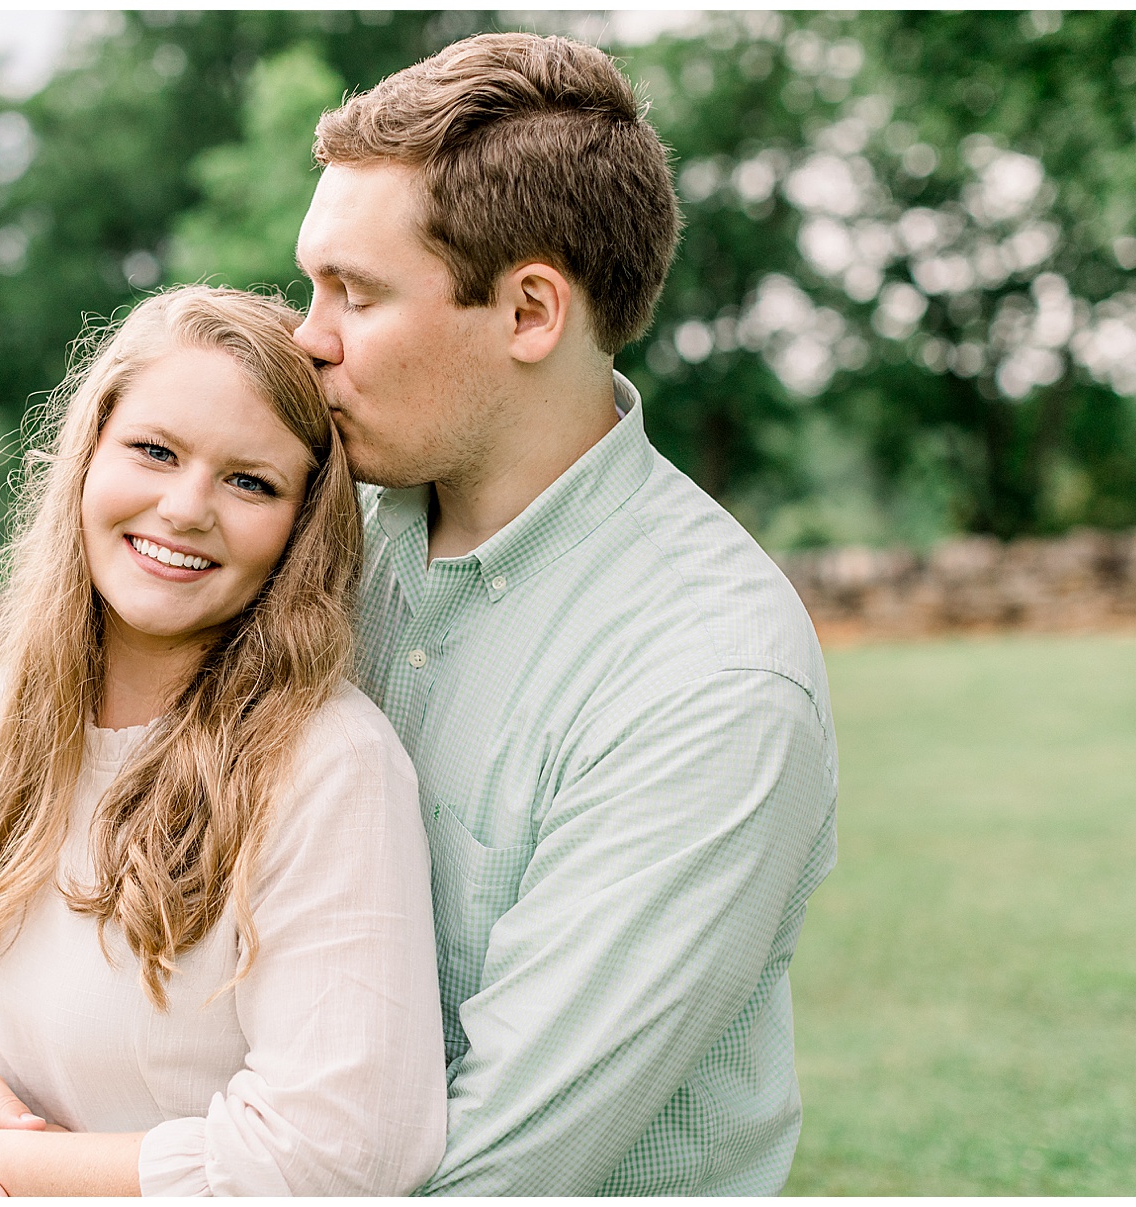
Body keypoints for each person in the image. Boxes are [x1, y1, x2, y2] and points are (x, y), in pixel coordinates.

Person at [285, 32, 840, 1195]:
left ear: (531, 310)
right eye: (312, 285)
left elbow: (501, 1169)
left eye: (355, 293)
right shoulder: (304, 540)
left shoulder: (711, 678)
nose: (308, 337)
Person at [0, 286, 446, 1196]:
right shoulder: (26, 708)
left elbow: (340, 1149)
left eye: (250, 481)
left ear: (301, 529)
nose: (185, 508)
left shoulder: (328, 764)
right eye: (155, 450)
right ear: (88, 455)